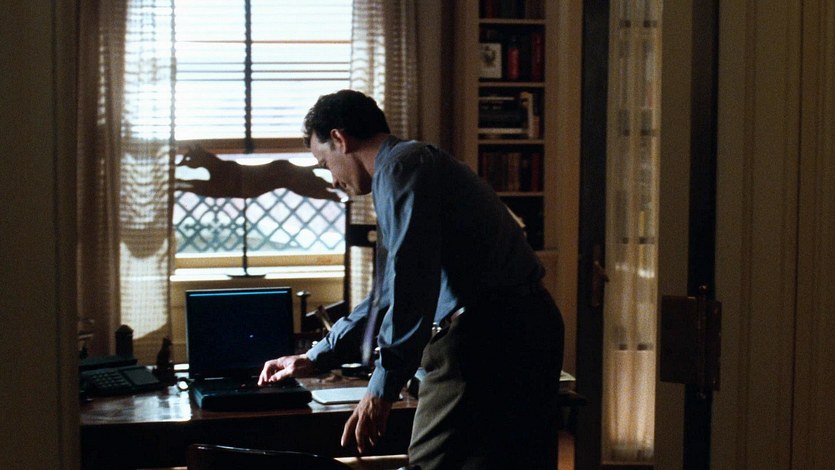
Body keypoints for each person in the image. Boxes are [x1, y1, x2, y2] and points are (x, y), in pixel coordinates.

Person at [259, 90, 565, 469]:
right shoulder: (410, 164)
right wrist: (316, 356)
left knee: (432, 463)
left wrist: (382, 388)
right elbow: (390, 291)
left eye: (325, 163)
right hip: (528, 324)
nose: (333, 180)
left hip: (487, 337)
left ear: (340, 138)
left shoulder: (400, 169)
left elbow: (410, 287)